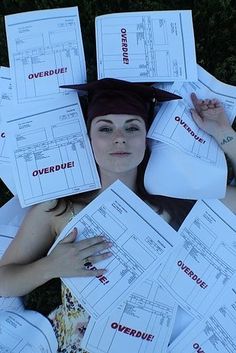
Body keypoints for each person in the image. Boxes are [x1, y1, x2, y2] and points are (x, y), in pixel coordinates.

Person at [0, 78, 235, 352]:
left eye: (132, 127)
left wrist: (223, 132)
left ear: (146, 138)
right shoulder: (60, 208)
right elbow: (4, 281)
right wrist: (51, 266)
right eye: (105, 128)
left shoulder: (180, 199)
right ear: (89, 138)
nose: (119, 137)